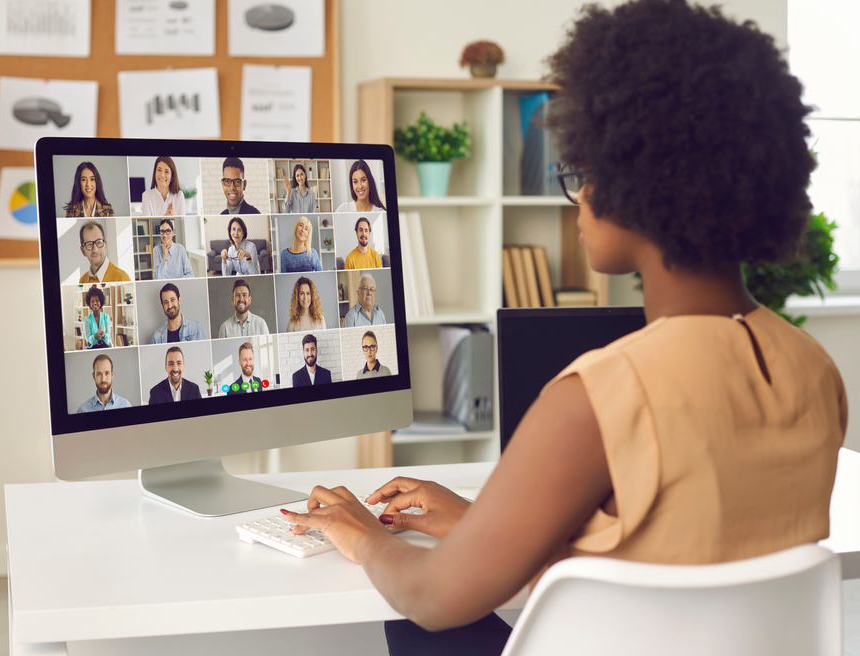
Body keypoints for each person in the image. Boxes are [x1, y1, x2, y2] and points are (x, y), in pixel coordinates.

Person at [279, 2, 848, 654]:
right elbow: (678, 551)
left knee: (413, 624)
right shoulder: (811, 366)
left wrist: (361, 531)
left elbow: (434, 598)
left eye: (583, 173)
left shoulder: (603, 392)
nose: (577, 197)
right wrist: (475, 522)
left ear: (638, 183)